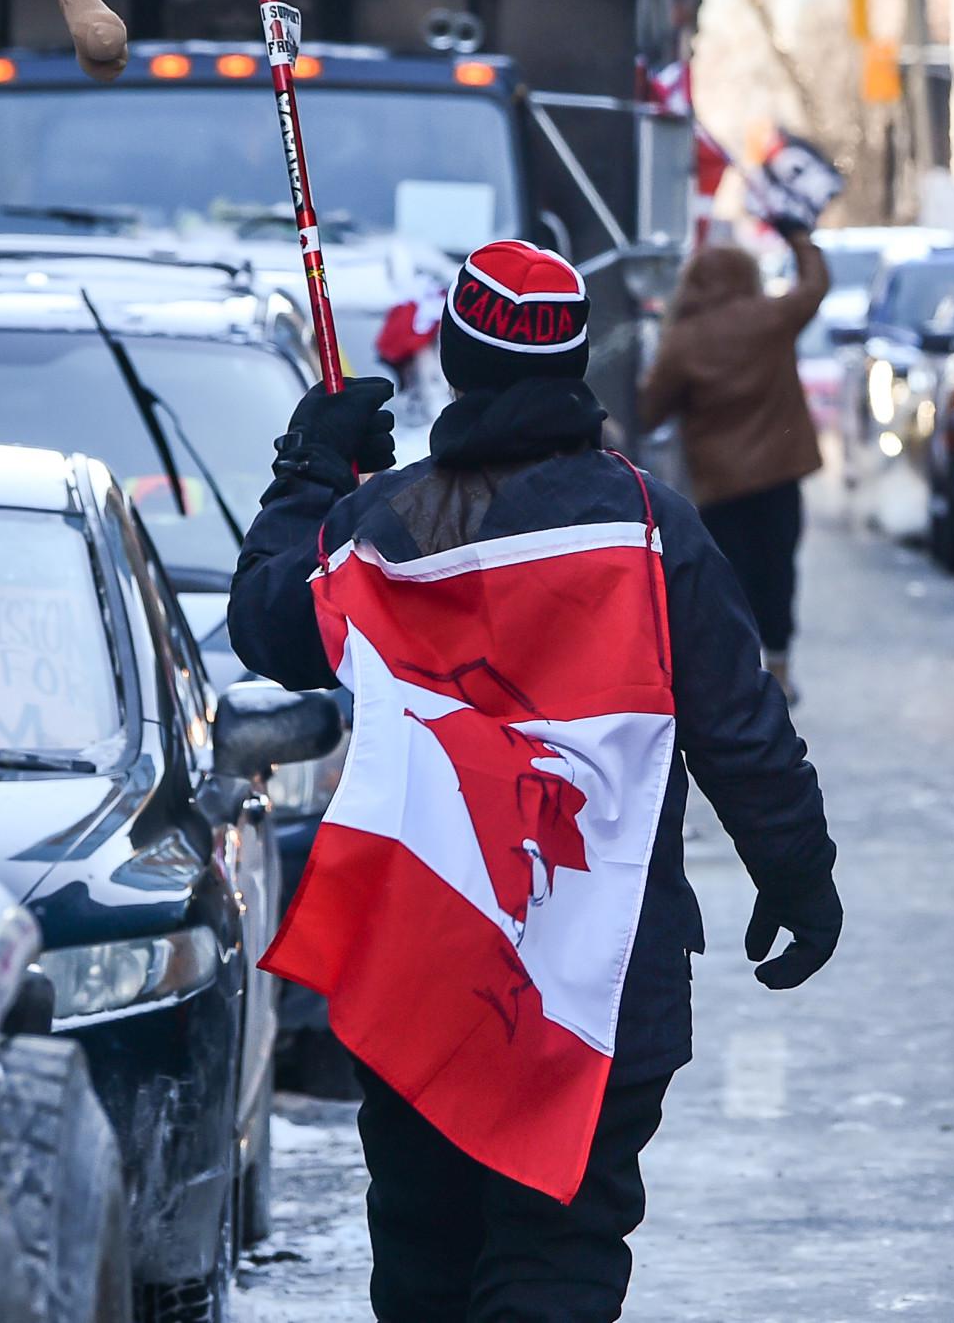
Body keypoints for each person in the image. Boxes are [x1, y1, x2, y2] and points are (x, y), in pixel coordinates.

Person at [230, 239, 839, 1322]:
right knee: (558, 1256)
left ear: (457, 361)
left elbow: (268, 622)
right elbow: (742, 728)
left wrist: (313, 466)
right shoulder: (649, 529)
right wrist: (797, 874)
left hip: (426, 964)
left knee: (425, 1254)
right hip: (604, 983)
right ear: (576, 365)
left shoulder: (386, 526)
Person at [634, 222, 830, 698]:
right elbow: (815, 287)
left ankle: (740, 675)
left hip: (719, 482)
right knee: (778, 569)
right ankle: (779, 665)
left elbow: (650, 410)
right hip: (779, 472)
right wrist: (798, 237)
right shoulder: (771, 318)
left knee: (730, 577)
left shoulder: (684, 341)